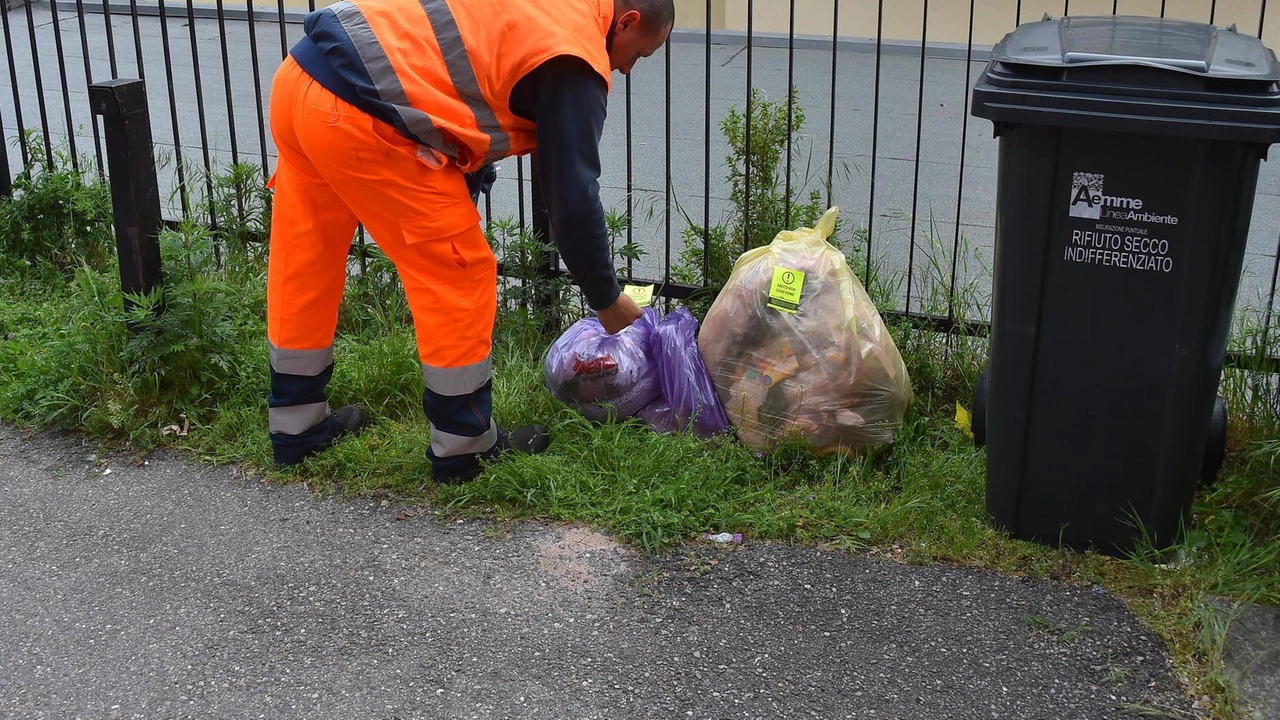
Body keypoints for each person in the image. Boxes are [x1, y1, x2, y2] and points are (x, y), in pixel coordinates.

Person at [264, 0, 674, 483]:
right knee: (458, 274)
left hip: (301, 81)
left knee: (307, 256)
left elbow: (457, 70)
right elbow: (573, 198)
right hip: (364, 117)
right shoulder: (574, 52)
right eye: (638, 55)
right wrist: (606, 299)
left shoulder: (553, 9)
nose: (624, 69)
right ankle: (465, 447)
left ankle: (296, 428)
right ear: (626, 22)